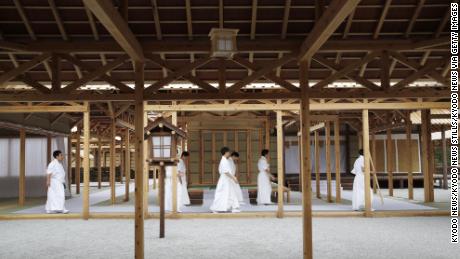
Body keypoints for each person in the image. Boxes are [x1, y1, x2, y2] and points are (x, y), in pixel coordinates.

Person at [210, 147, 241, 213]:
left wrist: (232, 178)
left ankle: (233, 207)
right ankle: (215, 208)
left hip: (227, 179)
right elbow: (226, 172)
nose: (229, 153)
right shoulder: (224, 161)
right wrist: (234, 178)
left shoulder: (226, 160)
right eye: (228, 152)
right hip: (224, 180)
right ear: (226, 153)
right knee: (221, 194)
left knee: (230, 193)